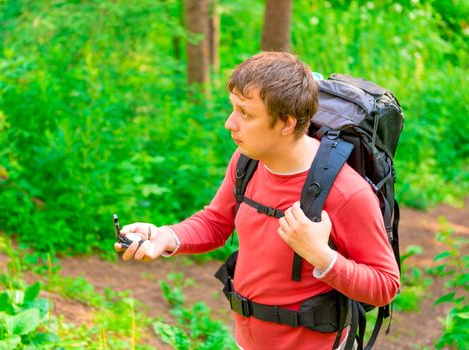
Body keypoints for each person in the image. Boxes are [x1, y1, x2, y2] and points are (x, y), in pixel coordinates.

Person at [114, 52, 400, 350]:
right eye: (232, 109)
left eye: (245, 114)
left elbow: (385, 284)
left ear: (287, 123)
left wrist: (321, 256)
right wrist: (164, 236)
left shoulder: (345, 192)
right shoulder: (247, 161)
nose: (229, 123)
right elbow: (215, 222)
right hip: (247, 341)